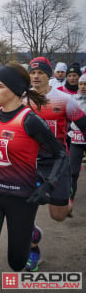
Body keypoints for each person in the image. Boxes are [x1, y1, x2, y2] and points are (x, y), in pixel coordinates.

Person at [0, 62, 68, 292]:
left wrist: (48, 186)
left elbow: (60, 155)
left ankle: (32, 235)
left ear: (14, 89)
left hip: (21, 199)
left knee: (17, 261)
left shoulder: (30, 120)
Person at [25, 57, 86, 272]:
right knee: (23, 209)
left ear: (48, 75)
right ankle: (33, 249)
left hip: (57, 162)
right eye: (32, 73)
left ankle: (65, 200)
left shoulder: (62, 99)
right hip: (29, 162)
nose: (36, 77)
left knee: (58, 216)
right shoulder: (23, 100)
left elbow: (84, 124)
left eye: (40, 73)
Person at [69, 74, 86, 209]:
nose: (83, 87)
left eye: (85, 84)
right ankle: (69, 202)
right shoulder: (72, 99)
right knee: (73, 172)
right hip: (76, 140)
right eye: (81, 84)